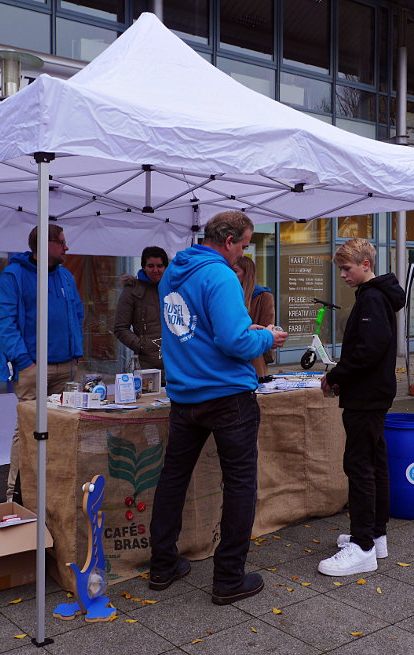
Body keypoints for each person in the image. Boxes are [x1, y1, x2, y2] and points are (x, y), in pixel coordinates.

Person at [149, 210, 288, 605]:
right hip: (227, 396)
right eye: (243, 245)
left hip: (185, 396)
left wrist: (249, 332)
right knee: (241, 484)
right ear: (228, 241)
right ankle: (228, 578)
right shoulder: (221, 275)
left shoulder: (175, 272)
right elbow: (234, 343)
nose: (243, 253)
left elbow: (197, 331)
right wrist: (267, 339)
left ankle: (162, 565)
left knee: (173, 478)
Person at [318, 238, 405, 576]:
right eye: (340, 268)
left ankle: (363, 546)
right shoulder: (377, 297)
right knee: (374, 463)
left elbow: (366, 351)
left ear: (366, 264)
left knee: (359, 467)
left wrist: (336, 374)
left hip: (367, 397)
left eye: (347, 268)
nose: (342, 274)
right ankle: (375, 535)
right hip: (374, 394)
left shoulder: (371, 298)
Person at [0, 225, 84, 502]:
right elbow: (2, 321)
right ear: (44, 245)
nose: (67, 248)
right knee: (28, 430)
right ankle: (15, 493)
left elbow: (77, 313)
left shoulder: (65, 276)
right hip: (33, 369)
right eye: (62, 243)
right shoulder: (14, 276)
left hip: (66, 368)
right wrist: (24, 361)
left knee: (62, 428)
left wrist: (76, 351)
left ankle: (52, 487)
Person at [113, 246, 168, 375]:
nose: (155, 270)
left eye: (159, 266)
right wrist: (143, 345)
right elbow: (120, 328)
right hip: (146, 366)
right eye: (150, 266)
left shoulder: (174, 287)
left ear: (166, 267)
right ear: (143, 266)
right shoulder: (132, 290)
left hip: (174, 363)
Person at [233, 256, 276, 379]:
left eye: (235, 271)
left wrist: (247, 331)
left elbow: (267, 329)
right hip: (232, 357)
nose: (231, 275)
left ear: (246, 274)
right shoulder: (228, 294)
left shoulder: (263, 296)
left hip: (254, 357)